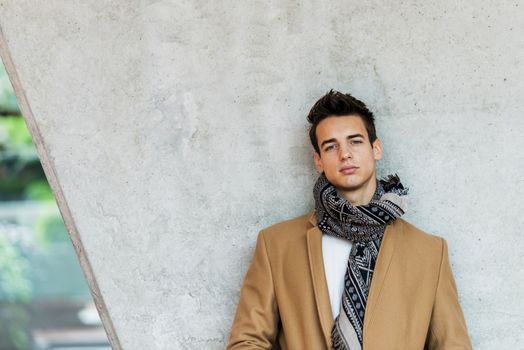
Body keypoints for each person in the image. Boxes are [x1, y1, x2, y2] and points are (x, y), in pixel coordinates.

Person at [226, 90, 472, 349]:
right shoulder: (275, 245)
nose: (345, 154)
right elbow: (247, 341)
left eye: (355, 141)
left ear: (375, 148)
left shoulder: (430, 252)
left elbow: (452, 345)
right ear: (319, 161)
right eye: (331, 146)